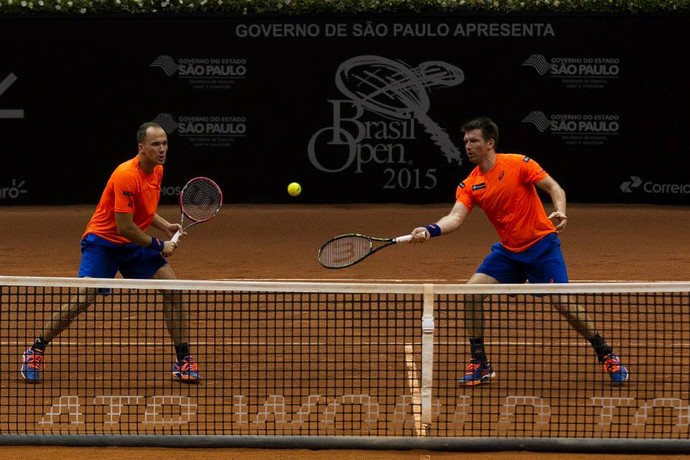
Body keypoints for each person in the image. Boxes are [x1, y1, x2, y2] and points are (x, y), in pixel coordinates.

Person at [409, 117, 629, 386]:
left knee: (563, 302)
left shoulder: (518, 164)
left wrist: (560, 209)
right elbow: (455, 218)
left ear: (490, 143)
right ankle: (480, 362)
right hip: (509, 252)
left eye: (474, 140)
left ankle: (604, 352)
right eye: (465, 141)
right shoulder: (469, 184)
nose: (468, 146)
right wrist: (430, 230)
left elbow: (553, 187)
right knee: (471, 292)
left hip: (542, 247)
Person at [20, 122, 200, 384]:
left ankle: (183, 360)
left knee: (173, 290)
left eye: (165, 143)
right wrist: (160, 245)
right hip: (103, 242)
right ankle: (35, 350)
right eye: (155, 144)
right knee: (82, 299)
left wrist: (164, 225)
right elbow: (124, 226)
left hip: (132, 243)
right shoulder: (126, 175)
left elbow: (141, 211)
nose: (162, 149)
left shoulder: (157, 170)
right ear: (141, 148)